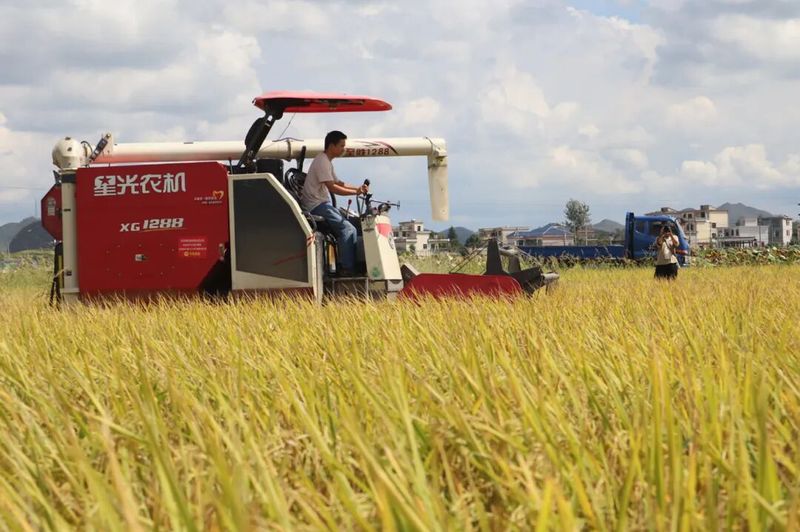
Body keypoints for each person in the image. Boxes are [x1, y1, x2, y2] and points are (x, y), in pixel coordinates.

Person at [301, 130, 368, 276]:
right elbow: (332, 187)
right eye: (341, 146)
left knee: (356, 226)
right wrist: (355, 192)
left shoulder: (326, 161)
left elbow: (339, 183)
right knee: (348, 230)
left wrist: (358, 188)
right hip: (316, 206)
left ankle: (354, 265)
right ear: (332, 146)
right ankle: (347, 269)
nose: (344, 149)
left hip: (322, 204)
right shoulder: (322, 161)